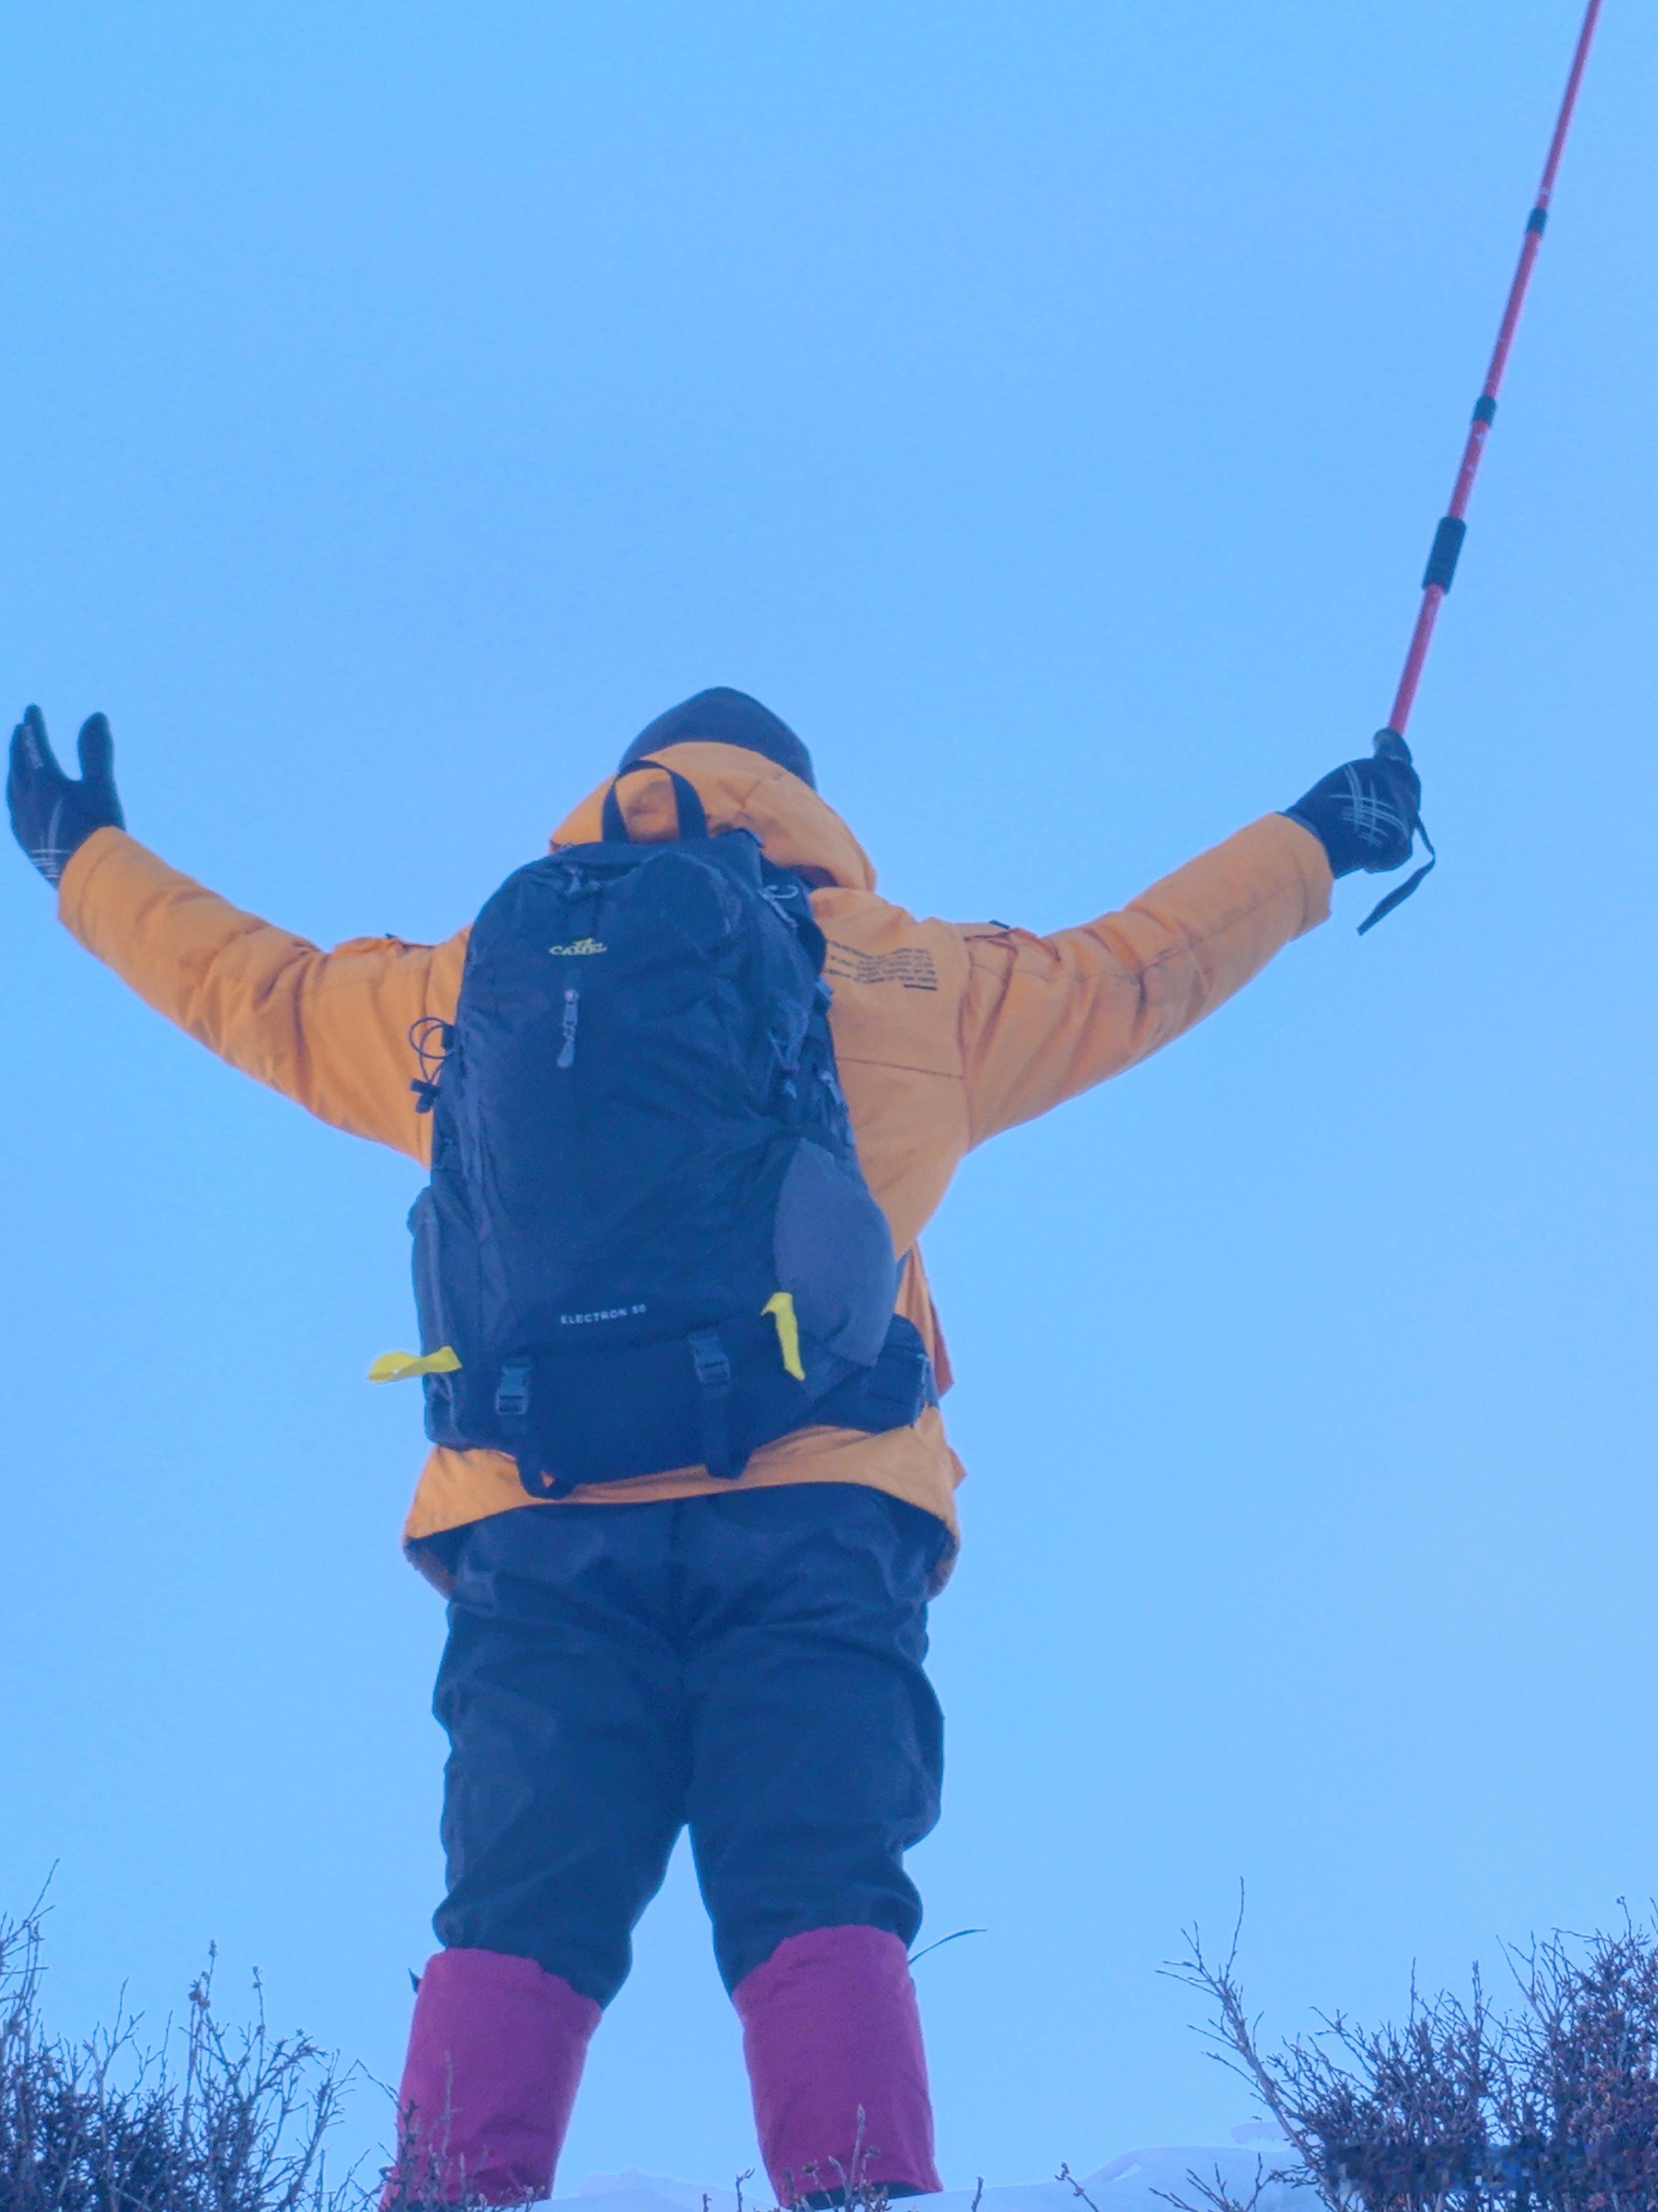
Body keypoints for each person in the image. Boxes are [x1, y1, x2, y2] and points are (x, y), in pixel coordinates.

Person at [8, 687, 1422, 2207]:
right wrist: (1320, 839)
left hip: (539, 1518)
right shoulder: (914, 973)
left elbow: (260, 990)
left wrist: (81, 852)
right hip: (817, 1501)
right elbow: (1144, 964)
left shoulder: (483, 980)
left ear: (623, 794)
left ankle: (452, 2195)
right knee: (819, 1886)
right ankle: (856, 2191)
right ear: (804, 804)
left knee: (515, 1911)